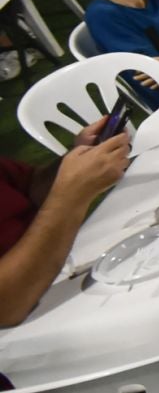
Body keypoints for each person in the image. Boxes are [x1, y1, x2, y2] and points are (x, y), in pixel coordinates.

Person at [0, 117, 131, 328]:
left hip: (63, 274)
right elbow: (7, 309)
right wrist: (71, 196)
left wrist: (79, 157)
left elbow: (31, 188)